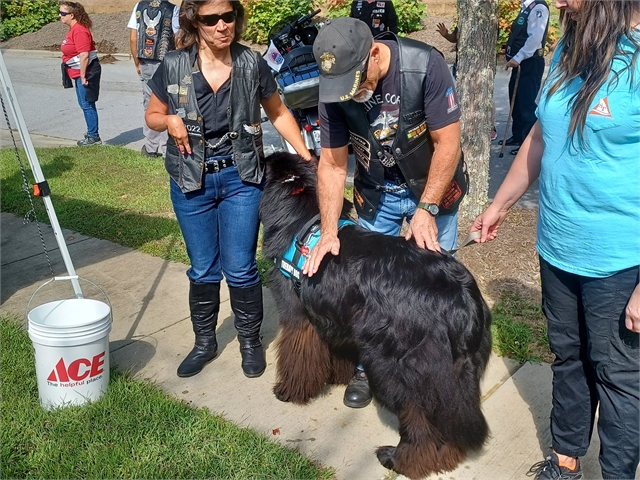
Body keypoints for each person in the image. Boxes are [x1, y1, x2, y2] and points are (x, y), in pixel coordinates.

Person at [472, 0, 640, 478]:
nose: (558, 2)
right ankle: (565, 462)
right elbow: (542, 136)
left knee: (619, 378)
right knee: (568, 358)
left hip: (621, 258)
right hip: (559, 245)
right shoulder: (572, 41)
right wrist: (499, 204)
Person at [303, 17, 467, 408]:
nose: (352, 92)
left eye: (357, 80)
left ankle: (440, 368)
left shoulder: (425, 65)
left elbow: (449, 144)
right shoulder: (336, 86)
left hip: (432, 187)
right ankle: (369, 364)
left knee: (436, 285)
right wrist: (330, 231)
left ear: (374, 53)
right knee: (370, 284)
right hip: (377, 193)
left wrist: (427, 208)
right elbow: (331, 164)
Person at [145, 0, 312, 379]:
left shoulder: (252, 64)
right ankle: (205, 342)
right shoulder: (174, 65)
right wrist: (169, 120)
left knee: (240, 268)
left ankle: (250, 341)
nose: (222, 25)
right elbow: (151, 116)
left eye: (228, 16)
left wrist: (305, 155)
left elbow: (279, 113)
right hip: (191, 181)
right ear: (195, 21)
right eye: (211, 19)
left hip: (241, 179)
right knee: (203, 269)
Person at [128, 0, 180, 158]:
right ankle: (166, 149)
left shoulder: (139, 6)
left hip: (147, 62)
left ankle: (150, 148)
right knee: (169, 103)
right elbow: (178, 38)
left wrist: (137, 62)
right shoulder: (173, 9)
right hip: (167, 62)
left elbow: (133, 38)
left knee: (150, 104)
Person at [501, 0, 549, 155]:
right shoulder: (527, 7)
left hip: (530, 63)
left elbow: (535, 38)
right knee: (515, 100)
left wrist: (518, 57)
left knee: (526, 104)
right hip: (520, 63)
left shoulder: (539, 7)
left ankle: (527, 144)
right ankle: (517, 136)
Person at [436, 22, 498, 140]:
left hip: (481, 65)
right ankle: (468, 126)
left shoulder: (488, 18)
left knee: (484, 95)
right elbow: (455, 38)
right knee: (464, 95)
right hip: (462, 65)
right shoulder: (466, 18)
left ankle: (490, 127)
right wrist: (446, 35)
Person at [59, 1, 102, 146]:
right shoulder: (73, 29)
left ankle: (93, 136)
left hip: (86, 72)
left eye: (63, 13)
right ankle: (92, 133)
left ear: (72, 15)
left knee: (87, 104)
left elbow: (84, 55)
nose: (60, 16)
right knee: (85, 103)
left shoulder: (79, 30)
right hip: (77, 72)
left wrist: (83, 76)